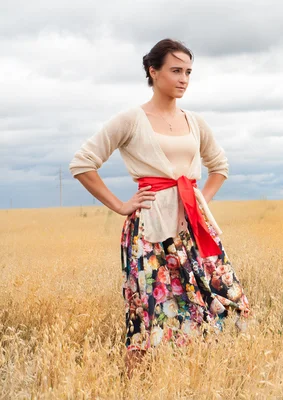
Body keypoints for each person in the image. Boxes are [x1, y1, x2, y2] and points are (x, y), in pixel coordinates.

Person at [68, 38, 251, 378]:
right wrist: (121, 205)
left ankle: (197, 382)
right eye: (176, 70)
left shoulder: (194, 121)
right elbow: (83, 163)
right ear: (153, 72)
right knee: (148, 309)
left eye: (189, 72)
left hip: (192, 228)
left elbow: (219, 165)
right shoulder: (131, 119)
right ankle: (133, 386)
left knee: (218, 300)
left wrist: (198, 202)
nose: (184, 78)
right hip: (149, 232)